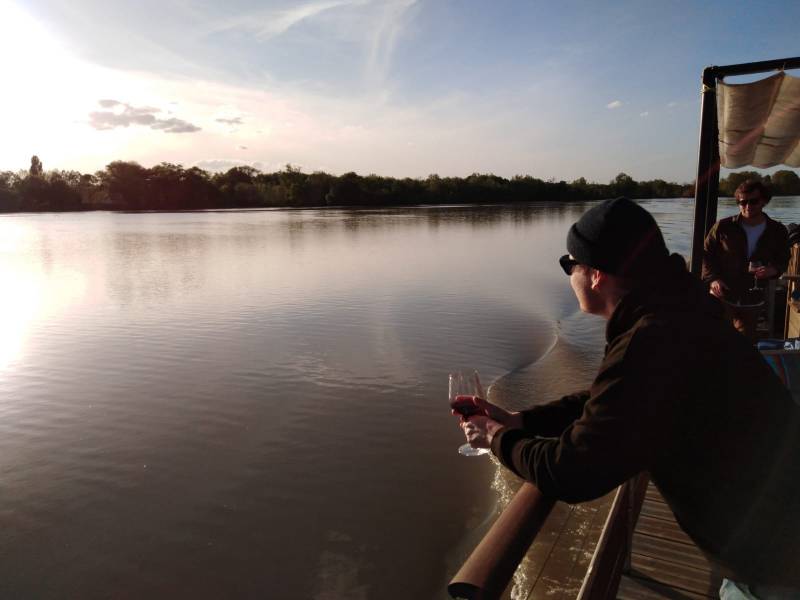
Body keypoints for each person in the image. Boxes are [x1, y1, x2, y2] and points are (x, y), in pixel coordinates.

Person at [456, 198, 800, 599]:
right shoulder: (680, 310)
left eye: (569, 264)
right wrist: (521, 421)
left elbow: (572, 471)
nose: (568, 275)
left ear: (596, 275)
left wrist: (494, 436)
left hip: (773, 567)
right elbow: (614, 399)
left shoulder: (650, 339)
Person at [702, 180, 789, 341]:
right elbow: (706, 254)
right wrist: (713, 279)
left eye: (753, 201)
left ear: (764, 201)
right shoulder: (723, 226)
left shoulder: (777, 230)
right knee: (717, 338)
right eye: (742, 202)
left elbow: (783, 258)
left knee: (745, 341)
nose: (748, 206)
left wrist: (774, 270)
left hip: (753, 297)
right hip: (723, 294)